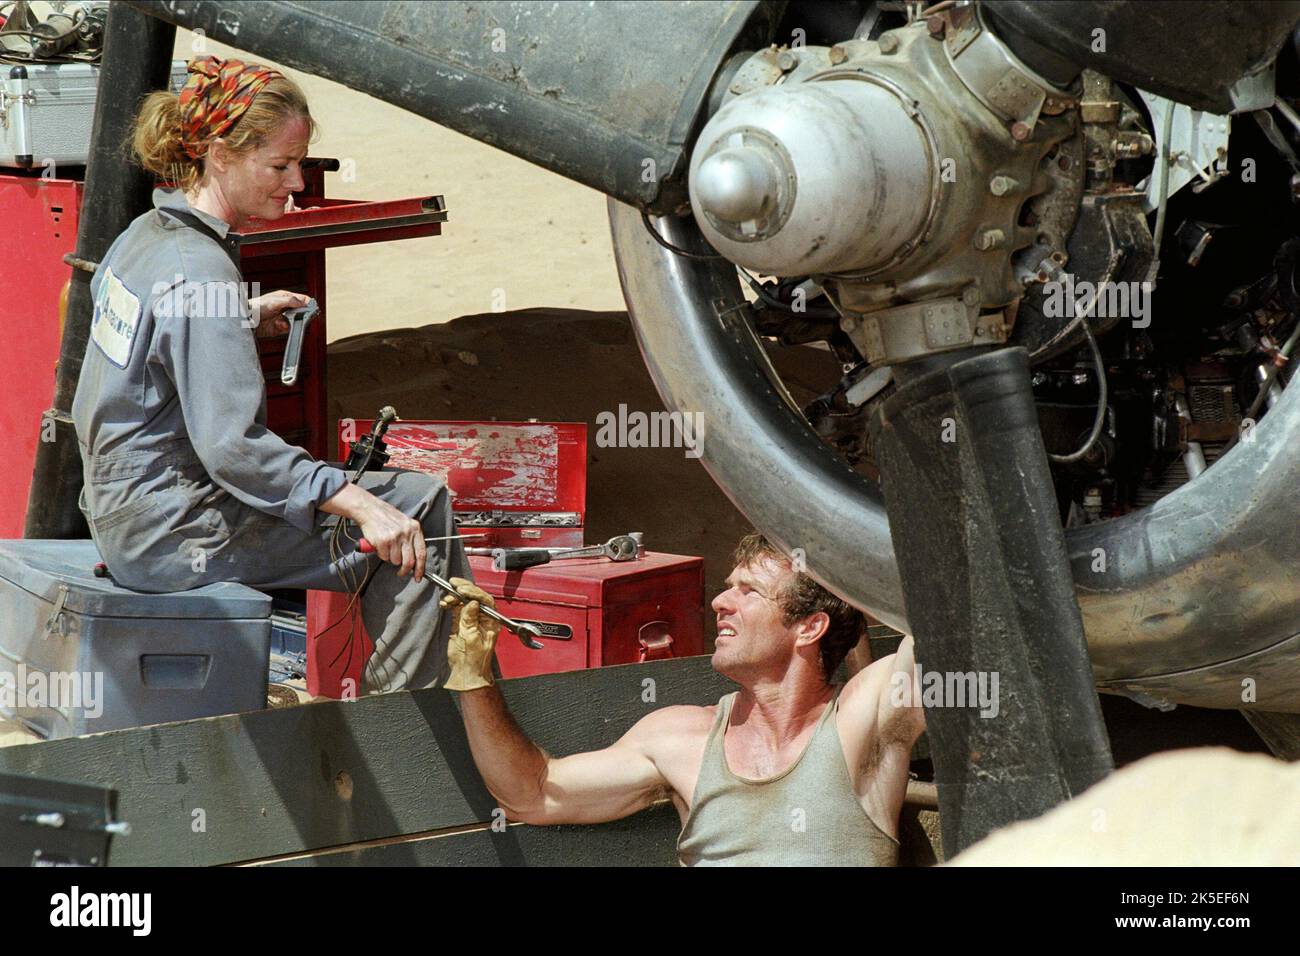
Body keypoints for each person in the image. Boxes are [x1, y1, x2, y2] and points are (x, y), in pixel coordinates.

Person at [70, 57, 465, 692]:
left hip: (122, 509)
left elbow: (152, 351)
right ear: (220, 155)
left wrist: (238, 319)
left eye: (299, 164)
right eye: (280, 166)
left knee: (342, 498)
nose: (297, 182)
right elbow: (233, 449)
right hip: (169, 531)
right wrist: (361, 504)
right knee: (415, 505)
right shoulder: (199, 269)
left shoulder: (146, 236)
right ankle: (410, 732)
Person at [442, 532, 927, 865]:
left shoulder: (864, 717)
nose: (719, 602)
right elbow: (534, 794)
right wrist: (472, 676)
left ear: (810, 627)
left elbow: (954, 625)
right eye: (725, 588)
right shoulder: (680, 738)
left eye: (749, 591)